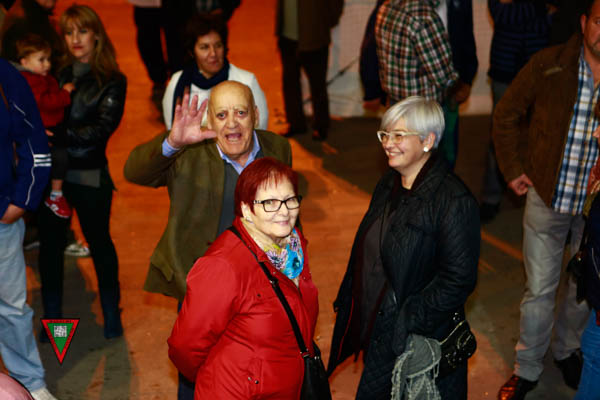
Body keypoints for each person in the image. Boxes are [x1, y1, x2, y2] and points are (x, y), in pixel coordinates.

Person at [124, 80, 291, 399]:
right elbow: (134, 171)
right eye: (222, 115)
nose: (232, 124)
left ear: (256, 115)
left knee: (258, 369)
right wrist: (172, 142)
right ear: (209, 121)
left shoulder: (278, 149)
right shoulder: (188, 154)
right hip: (204, 289)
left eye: (241, 113)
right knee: (196, 368)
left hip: (261, 287)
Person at [327, 96, 480, 399]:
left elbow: (458, 279)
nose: (388, 143)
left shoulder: (454, 201)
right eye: (385, 134)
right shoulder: (389, 184)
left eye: (399, 135)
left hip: (417, 339)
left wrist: (409, 319)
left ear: (428, 141)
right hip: (381, 328)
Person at [493, 0, 599, 398]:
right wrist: (513, 168)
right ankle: (527, 368)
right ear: (584, 23)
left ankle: (568, 351)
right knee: (538, 290)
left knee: (582, 290)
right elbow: (506, 113)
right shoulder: (549, 64)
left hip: (594, 211)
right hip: (547, 198)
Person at [168, 156, 318, 399]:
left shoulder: (293, 247)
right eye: (269, 203)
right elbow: (184, 347)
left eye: (290, 200)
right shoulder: (223, 266)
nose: (284, 211)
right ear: (247, 209)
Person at [36, 4, 127, 340]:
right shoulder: (54, 73)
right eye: (69, 32)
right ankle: (53, 320)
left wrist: (58, 135)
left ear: (96, 35)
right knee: (50, 249)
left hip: (89, 175)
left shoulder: (113, 80)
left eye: (83, 31)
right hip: (52, 177)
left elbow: (101, 129)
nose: (75, 38)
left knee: (99, 244)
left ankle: (111, 314)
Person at [0, 57, 56, 400]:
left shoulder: (6, 77)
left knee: (12, 308)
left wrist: (22, 199)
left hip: (1, 223)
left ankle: (30, 382)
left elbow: (35, 141)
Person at [480, 0, 552, 223]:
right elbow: (503, 15)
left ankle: (539, 193)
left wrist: (518, 7)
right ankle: (491, 196)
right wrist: (539, 7)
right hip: (505, 69)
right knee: (499, 132)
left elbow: (552, 21)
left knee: (541, 135)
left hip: (540, 71)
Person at [161, 12, 268, 130]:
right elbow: (171, 131)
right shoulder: (177, 82)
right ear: (192, 52)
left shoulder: (246, 81)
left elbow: (261, 130)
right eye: (204, 47)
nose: (213, 54)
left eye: (218, 45)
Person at [15, 33, 75, 219]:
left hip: (45, 127)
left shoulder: (39, 77)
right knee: (59, 158)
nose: (47, 64)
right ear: (24, 61)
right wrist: (65, 94)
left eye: (48, 59)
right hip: (42, 129)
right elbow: (45, 102)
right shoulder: (30, 81)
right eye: (41, 60)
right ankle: (55, 195)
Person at [276, 0, 344, 141]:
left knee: (317, 84)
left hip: (314, 36)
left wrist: (324, 22)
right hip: (286, 37)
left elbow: (336, 4)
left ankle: (321, 125)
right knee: (290, 82)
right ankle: (296, 123)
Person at [375, 0, 458, 106]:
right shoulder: (423, 17)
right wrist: (458, 84)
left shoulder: (386, 7)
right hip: (423, 108)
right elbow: (443, 76)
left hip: (395, 103)